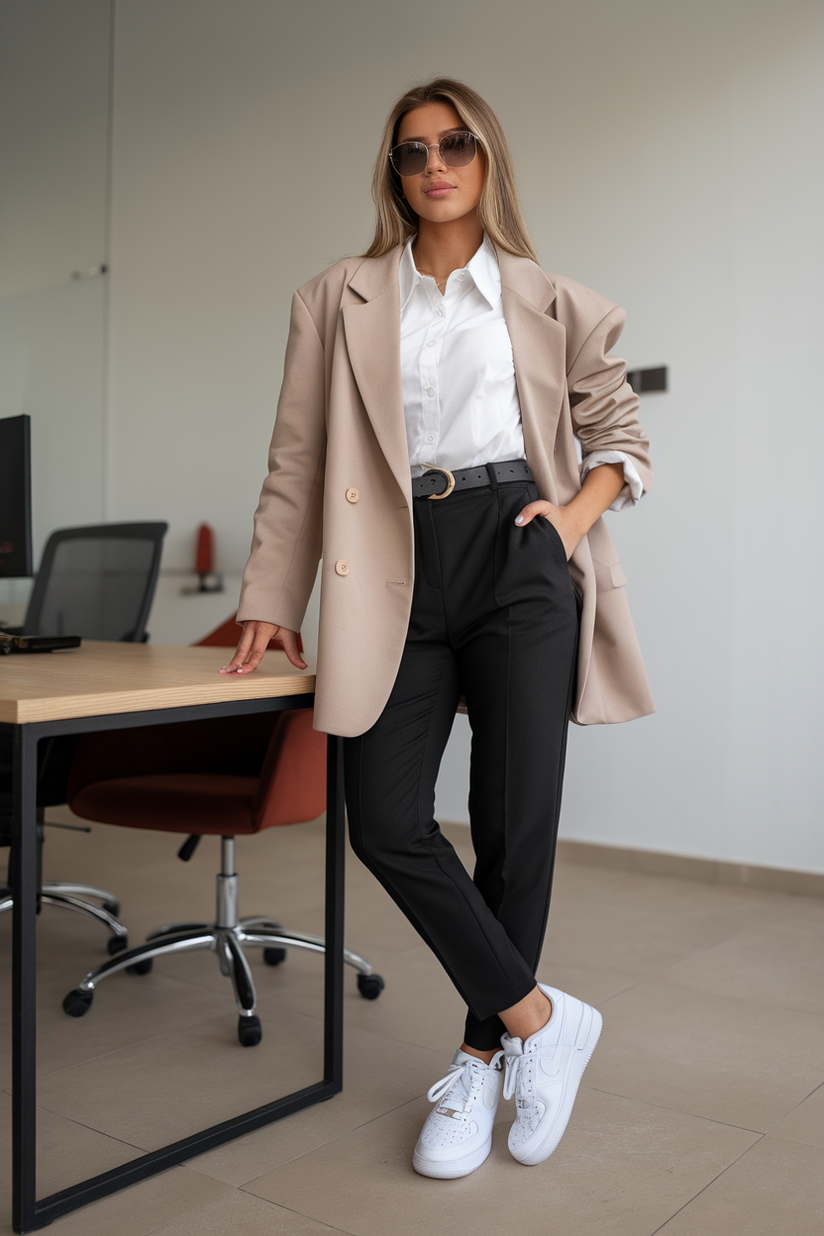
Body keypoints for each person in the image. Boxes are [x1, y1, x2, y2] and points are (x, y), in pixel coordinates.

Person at [220, 77, 653, 1179]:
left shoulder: (553, 300)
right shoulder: (337, 298)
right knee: (383, 817)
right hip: (392, 566)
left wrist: (564, 525)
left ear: (487, 159)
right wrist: (270, 597)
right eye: (412, 152)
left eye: (454, 145)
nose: (434, 166)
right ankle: (540, 1021)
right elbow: (298, 459)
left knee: (514, 825)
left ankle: (478, 1060)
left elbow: (621, 438)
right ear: (393, 173)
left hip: (516, 552)